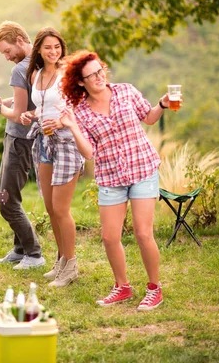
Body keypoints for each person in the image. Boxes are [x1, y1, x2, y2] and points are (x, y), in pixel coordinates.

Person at [58, 50, 167, 310]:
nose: (99, 77)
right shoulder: (80, 112)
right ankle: (122, 287)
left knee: (142, 232)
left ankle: (154, 289)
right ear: (80, 82)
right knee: (109, 237)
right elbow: (89, 152)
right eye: (91, 75)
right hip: (110, 176)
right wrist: (72, 126)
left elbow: (149, 118)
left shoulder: (126, 91)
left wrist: (161, 104)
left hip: (142, 168)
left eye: (100, 71)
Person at [19, 27, 84, 287]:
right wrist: (30, 115)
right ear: (39, 49)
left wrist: (60, 122)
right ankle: (61, 259)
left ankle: (72, 265)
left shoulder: (67, 73)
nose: (53, 51)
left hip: (67, 142)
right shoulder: (35, 74)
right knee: (49, 207)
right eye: (48, 47)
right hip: (43, 141)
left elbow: (79, 106)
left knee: (61, 208)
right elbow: (43, 106)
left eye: (57, 47)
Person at [0, 20, 45, 270]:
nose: (6, 57)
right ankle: (20, 249)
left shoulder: (19, 69)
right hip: (28, 138)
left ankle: (33, 253)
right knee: (7, 193)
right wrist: (10, 99)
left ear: (20, 41)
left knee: (6, 200)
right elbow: (32, 100)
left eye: (7, 50)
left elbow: (19, 112)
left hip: (20, 139)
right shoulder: (40, 62)